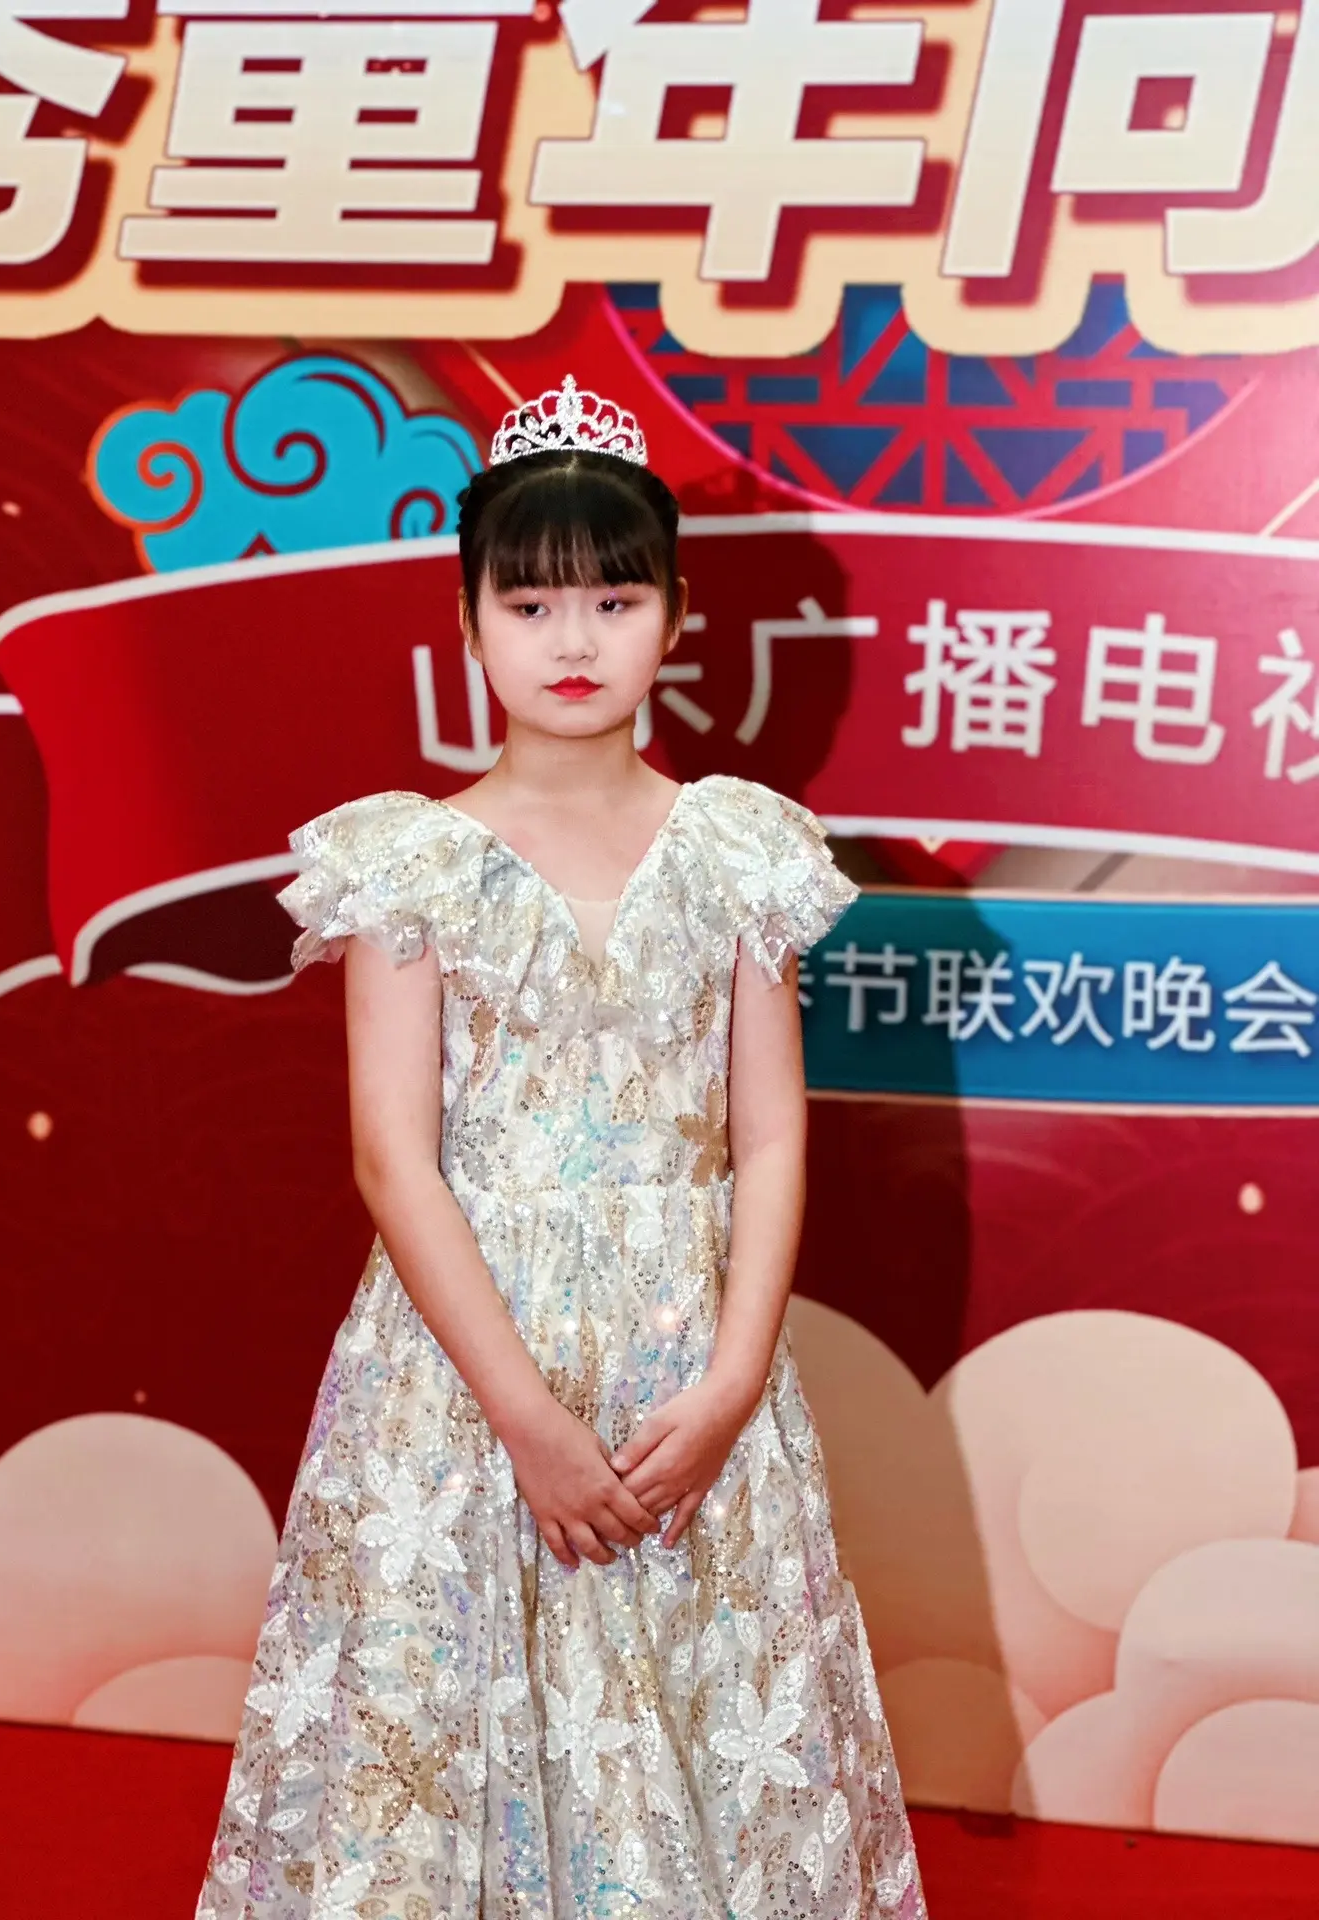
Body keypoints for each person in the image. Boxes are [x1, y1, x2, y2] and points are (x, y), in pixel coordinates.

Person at [197, 376, 926, 1920]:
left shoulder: (739, 845)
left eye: (614, 598)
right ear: (468, 622)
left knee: (710, 1718)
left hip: (690, 1365)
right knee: (448, 1727)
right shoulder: (408, 860)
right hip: (466, 1376)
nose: (574, 640)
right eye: (530, 604)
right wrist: (524, 1419)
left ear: (675, 615)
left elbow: (771, 1134)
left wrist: (733, 1384)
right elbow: (393, 1159)